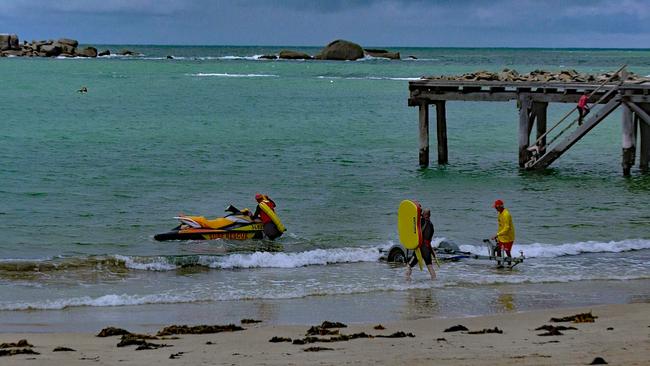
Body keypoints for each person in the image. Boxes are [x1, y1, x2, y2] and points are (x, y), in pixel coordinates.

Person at [405, 209, 437, 280]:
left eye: (423, 214)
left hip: (420, 248)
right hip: (427, 249)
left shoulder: (421, 222)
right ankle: (435, 283)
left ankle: (407, 284)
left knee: (409, 266)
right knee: (430, 266)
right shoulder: (431, 225)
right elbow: (429, 240)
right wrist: (431, 251)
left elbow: (412, 225)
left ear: (424, 214)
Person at [491, 199, 515, 266]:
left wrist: (497, 234)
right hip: (501, 235)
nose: (495, 208)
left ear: (499, 206)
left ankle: (509, 265)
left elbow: (507, 228)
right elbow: (501, 225)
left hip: (508, 236)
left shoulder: (506, 214)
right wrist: (498, 235)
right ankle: (499, 264)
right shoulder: (499, 213)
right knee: (498, 249)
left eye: (496, 207)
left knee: (507, 251)